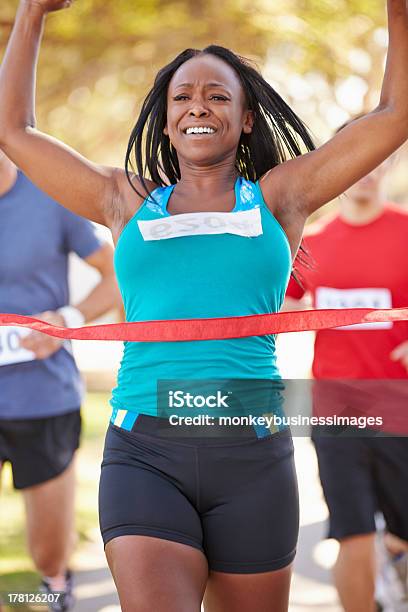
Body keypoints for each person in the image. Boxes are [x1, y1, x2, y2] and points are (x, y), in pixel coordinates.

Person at [0, 1, 407, 610]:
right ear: (165, 121)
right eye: (182, 97)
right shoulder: (123, 201)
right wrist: (32, 12)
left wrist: (399, 17)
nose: (198, 105)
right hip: (145, 452)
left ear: (245, 120)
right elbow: (14, 132)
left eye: (218, 96)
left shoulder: (280, 197)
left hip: (252, 458)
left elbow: (394, 115)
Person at [284, 144, 408, 612]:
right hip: (336, 410)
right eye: (357, 160)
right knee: (351, 531)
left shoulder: (405, 231)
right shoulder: (310, 244)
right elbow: (275, 309)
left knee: (402, 533)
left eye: (377, 161)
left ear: (389, 166)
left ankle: (395, 558)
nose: (365, 172)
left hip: (400, 407)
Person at [0, 149, 120, 611]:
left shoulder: (49, 195)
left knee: (46, 552)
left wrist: (64, 321)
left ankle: (55, 588)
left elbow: (115, 275)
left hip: (43, 400)